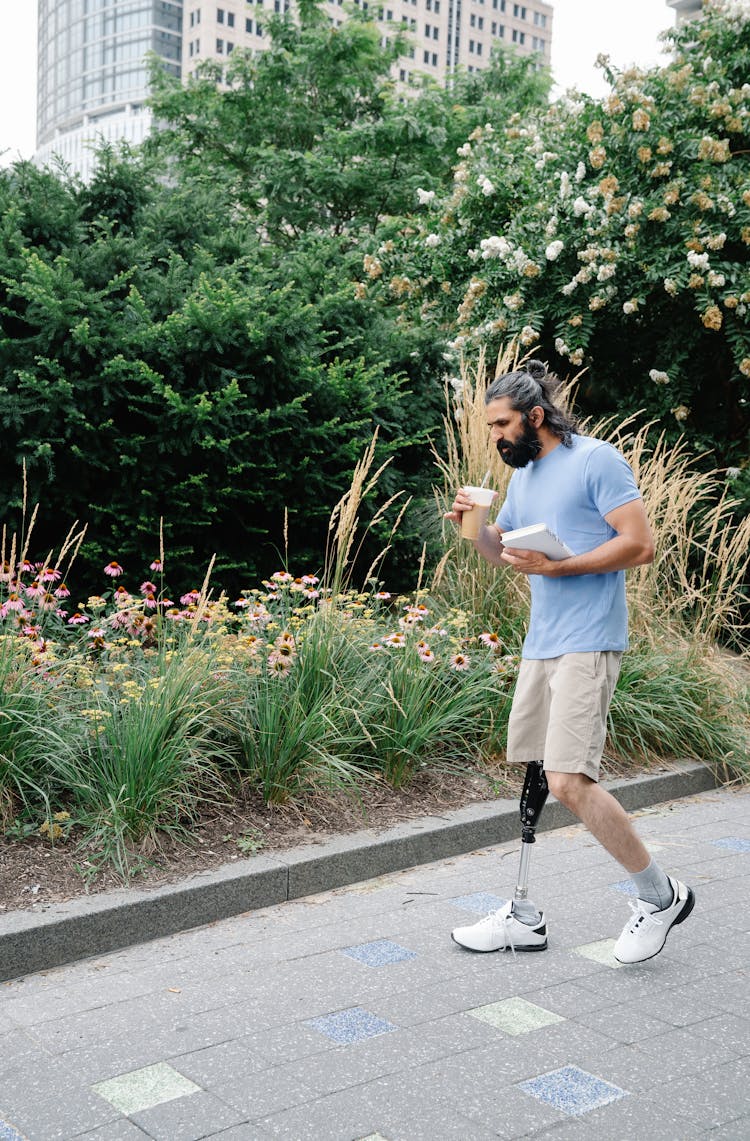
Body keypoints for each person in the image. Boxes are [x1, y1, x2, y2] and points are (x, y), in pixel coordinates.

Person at [446, 359, 694, 964]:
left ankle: (659, 896)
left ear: (535, 416)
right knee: (537, 776)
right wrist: (471, 525)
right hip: (542, 642)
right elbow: (502, 553)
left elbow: (640, 543)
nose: (496, 436)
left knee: (568, 780)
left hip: (588, 640)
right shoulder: (526, 475)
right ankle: (524, 917)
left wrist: (559, 566)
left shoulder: (595, 460)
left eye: (502, 424)